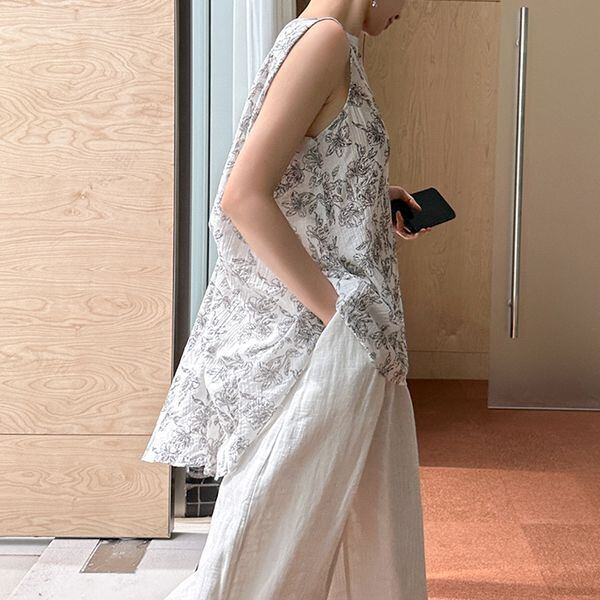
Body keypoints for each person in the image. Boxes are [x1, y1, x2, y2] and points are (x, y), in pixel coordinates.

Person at [143, 0, 431, 597]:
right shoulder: (323, 42)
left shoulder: (333, 42)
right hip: (325, 346)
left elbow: (306, 176)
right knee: (271, 546)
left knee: (346, 532)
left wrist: (370, 197)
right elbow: (243, 196)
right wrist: (338, 319)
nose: (410, 8)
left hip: (355, 340)